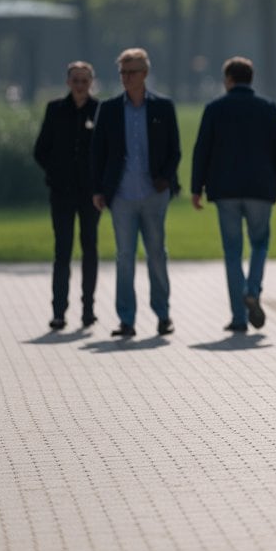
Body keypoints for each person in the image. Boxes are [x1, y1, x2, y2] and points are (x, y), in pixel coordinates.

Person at [190, 57, 276, 334]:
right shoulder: (268, 108)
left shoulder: (215, 108)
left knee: (232, 251)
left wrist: (196, 187)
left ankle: (238, 317)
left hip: (225, 190)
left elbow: (202, 149)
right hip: (261, 189)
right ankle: (252, 290)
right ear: (251, 78)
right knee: (259, 243)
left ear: (228, 79)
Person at [90, 48, 181, 338]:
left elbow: (175, 149)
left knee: (156, 254)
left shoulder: (163, 107)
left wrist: (165, 179)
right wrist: (98, 189)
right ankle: (126, 320)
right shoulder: (109, 108)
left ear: (145, 74)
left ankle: (163, 314)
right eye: (123, 73)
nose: (126, 78)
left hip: (154, 194)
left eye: (132, 72)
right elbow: (98, 152)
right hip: (121, 195)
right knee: (124, 257)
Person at [33, 61, 101, 331]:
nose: (80, 85)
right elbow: (40, 149)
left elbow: (106, 150)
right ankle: (59, 311)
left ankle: (88, 310)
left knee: (90, 249)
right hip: (62, 192)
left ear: (91, 82)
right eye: (75, 80)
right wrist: (56, 172)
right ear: (68, 82)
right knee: (62, 251)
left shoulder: (100, 110)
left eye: (84, 80)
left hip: (90, 194)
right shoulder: (56, 109)